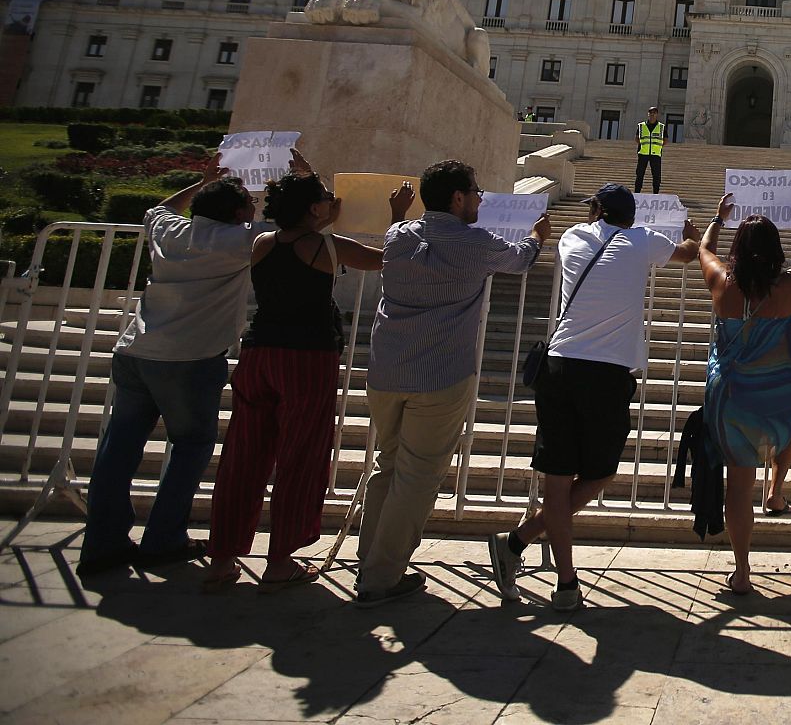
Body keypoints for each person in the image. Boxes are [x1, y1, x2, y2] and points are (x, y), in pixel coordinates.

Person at [77, 152, 309, 578]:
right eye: (250, 206)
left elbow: (158, 209)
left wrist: (201, 185)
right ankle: (163, 539)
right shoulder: (242, 240)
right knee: (191, 447)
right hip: (192, 357)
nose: (255, 210)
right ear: (239, 213)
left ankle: (101, 543)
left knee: (117, 450)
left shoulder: (172, 231)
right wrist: (305, 179)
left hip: (136, 350)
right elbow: (302, 227)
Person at [488, 184, 698, 608]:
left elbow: (590, 241)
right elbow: (689, 253)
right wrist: (691, 230)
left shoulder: (570, 237)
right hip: (606, 372)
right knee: (597, 473)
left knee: (560, 478)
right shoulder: (644, 241)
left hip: (562, 365)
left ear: (597, 211)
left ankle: (518, 542)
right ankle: (564, 582)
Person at [355, 160, 550, 607]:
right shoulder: (475, 243)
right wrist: (540, 235)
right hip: (439, 374)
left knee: (388, 464)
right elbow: (521, 260)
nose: (481, 198)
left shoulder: (398, 236)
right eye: (476, 192)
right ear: (458, 198)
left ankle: (370, 564)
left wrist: (397, 214)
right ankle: (381, 578)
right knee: (417, 475)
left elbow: (396, 240)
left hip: (386, 371)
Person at [201, 171, 405, 591]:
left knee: (243, 455)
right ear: (313, 208)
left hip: (258, 353)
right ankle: (280, 560)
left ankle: (222, 559)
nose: (334, 203)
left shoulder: (263, 243)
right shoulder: (327, 247)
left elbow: (303, 241)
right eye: (327, 199)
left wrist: (321, 221)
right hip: (307, 357)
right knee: (301, 456)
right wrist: (396, 215)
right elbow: (386, 257)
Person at [700, 194, 791, 594]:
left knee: (738, 482)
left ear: (738, 249)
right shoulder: (787, 287)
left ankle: (742, 570)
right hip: (778, 386)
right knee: (790, 427)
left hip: (732, 391)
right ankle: (776, 490)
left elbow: (703, 249)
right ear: (775, 250)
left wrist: (719, 221)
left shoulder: (721, 281)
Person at [634, 105, 666, 195]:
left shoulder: (661, 127)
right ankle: (637, 193)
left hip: (655, 154)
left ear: (657, 114)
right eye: (650, 113)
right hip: (643, 153)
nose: (652, 115)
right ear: (648, 114)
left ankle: (656, 193)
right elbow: (637, 138)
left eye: (654, 113)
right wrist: (644, 144)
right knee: (639, 174)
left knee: (656, 175)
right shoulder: (641, 126)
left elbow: (665, 139)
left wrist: (658, 146)